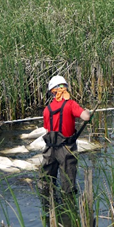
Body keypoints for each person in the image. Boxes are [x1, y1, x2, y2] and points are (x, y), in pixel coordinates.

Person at [38, 75, 91, 209]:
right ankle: (69, 212)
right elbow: (85, 117)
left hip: (49, 150)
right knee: (68, 186)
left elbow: (47, 131)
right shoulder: (71, 104)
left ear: (52, 92)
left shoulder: (47, 110)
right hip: (66, 149)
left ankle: (48, 210)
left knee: (46, 184)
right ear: (65, 89)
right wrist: (88, 112)